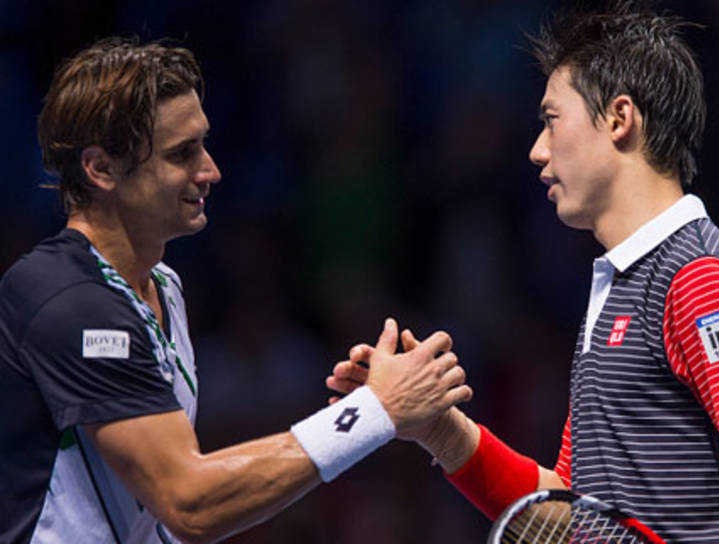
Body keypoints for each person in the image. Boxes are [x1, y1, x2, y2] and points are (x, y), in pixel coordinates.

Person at [327, 3, 719, 542]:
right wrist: (438, 429)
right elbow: (572, 512)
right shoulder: (619, 290)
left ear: (618, 118)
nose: (536, 151)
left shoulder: (702, 279)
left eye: (551, 120)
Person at [0, 38, 472, 543]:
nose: (210, 171)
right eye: (182, 154)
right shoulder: (64, 298)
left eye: (203, 145)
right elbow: (190, 503)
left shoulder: (165, 286)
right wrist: (374, 412)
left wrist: (369, 411)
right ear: (101, 168)